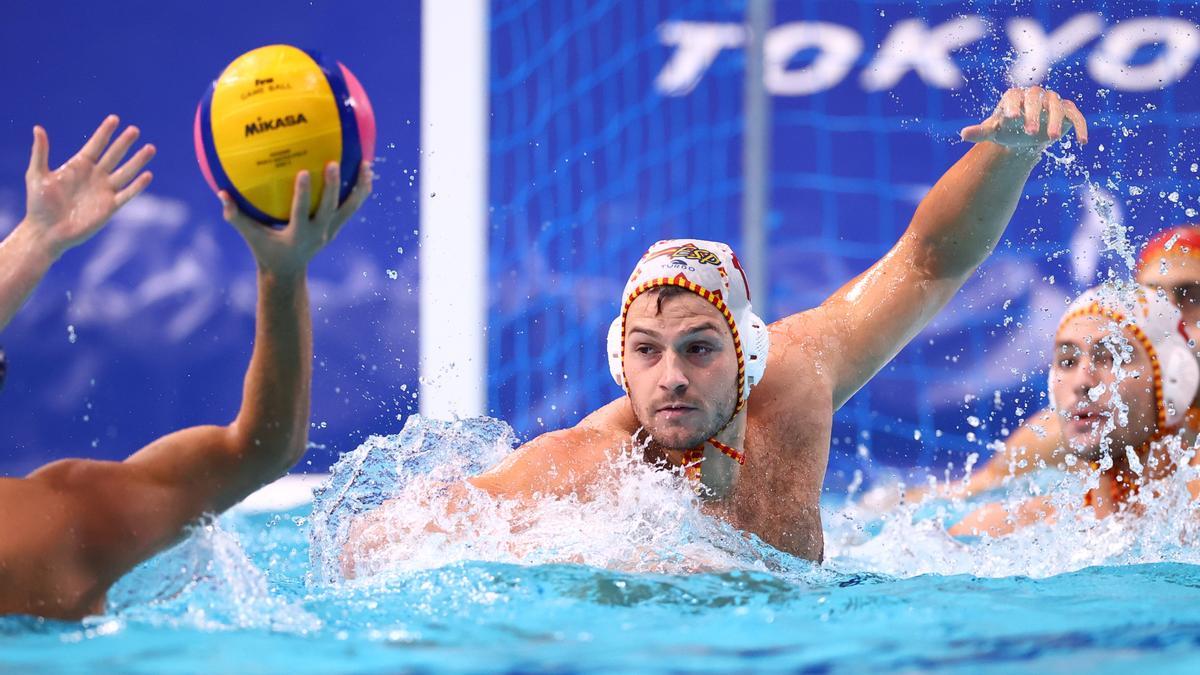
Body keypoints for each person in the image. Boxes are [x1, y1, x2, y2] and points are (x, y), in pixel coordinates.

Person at [342, 86, 1088, 572]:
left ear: (747, 350)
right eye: (646, 351)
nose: (670, 375)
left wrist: (1009, 152)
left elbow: (926, 262)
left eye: (698, 347)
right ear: (619, 361)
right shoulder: (584, 464)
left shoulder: (797, 377)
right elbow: (376, 544)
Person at [0, 116, 373, 619]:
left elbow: (255, 451)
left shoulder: (44, 526)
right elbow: (262, 449)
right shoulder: (54, 528)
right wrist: (281, 275)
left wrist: (36, 239)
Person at [871, 224, 1200, 506]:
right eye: (1151, 294)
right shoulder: (1067, 431)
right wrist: (882, 509)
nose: (1167, 310)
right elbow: (967, 495)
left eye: (1190, 295)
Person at [949, 284, 1200, 537]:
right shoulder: (1002, 530)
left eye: (1112, 358)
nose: (1082, 382)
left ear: (1173, 380)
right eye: (1067, 361)